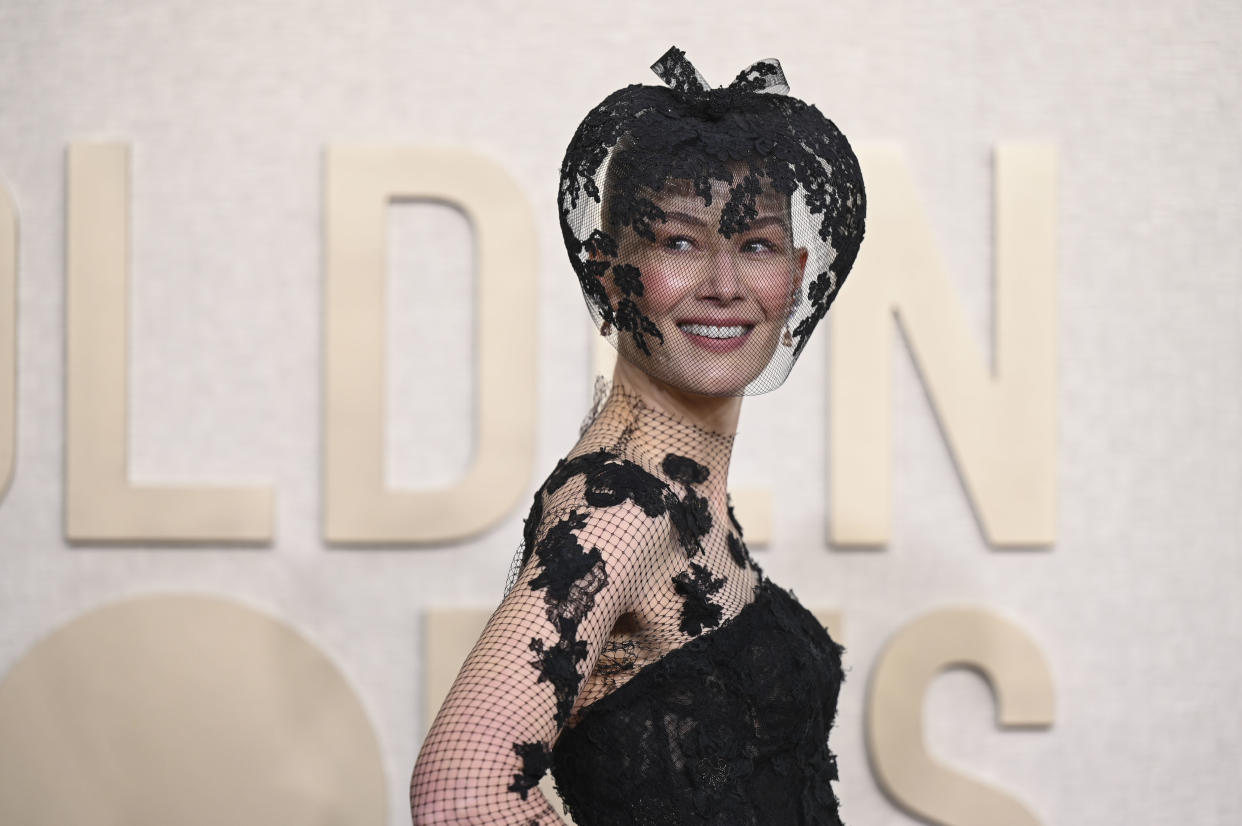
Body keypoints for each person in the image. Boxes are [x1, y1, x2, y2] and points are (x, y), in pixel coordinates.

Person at [410, 46, 866, 825]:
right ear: (609, 269)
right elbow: (461, 793)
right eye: (680, 242)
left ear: (795, 274)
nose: (724, 285)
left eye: (754, 244)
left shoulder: (679, 489)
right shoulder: (627, 509)